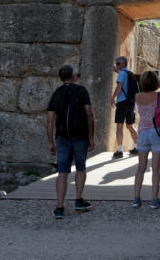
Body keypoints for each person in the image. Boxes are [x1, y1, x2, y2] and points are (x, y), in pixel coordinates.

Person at [47, 64, 95, 219]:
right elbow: (89, 114)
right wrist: (91, 136)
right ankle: (79, 200)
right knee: (80, 168)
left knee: (62, 173)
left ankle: (60, 207)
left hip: (62, 137)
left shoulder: (56, 94)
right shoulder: (81, 91)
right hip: (80, 136)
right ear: (73, 76)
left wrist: (51, 142)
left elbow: (49, 120)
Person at [132, 71, 160, 209]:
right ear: (156, 82)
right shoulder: (159, 96)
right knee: (155, 169)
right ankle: (154, 199)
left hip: (142, 133)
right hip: (156, 133)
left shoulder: (138, 96)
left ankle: (136, 198)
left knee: (140, 168)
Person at [110, 56, 138, 158]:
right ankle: (137, 148)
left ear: (123, 64)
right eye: (116, 63)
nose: (116, 65)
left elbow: (120, 85)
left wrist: (113, 97)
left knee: (119, 126)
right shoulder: (129, 73)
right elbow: (125, 80)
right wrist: (117, 71)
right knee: (130, 126)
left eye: (118, 64)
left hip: (122, 102)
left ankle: (120, 150)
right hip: (131, 102)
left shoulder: (122, 73)